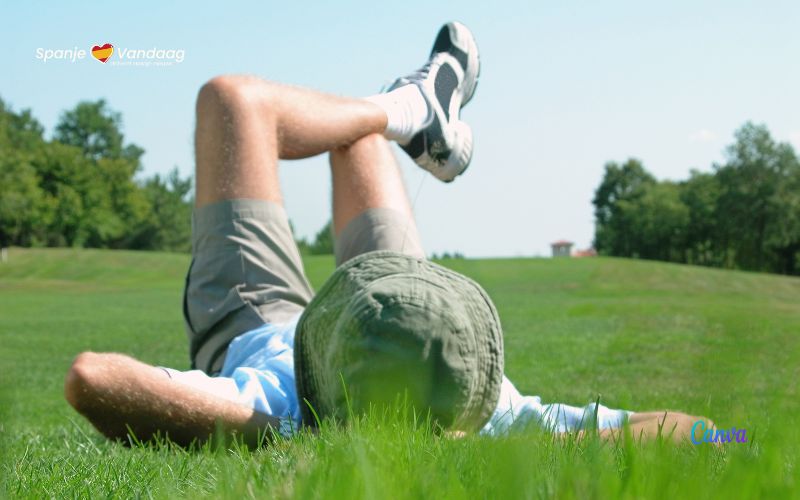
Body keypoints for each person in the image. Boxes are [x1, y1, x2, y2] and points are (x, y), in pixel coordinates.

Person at [64, 22, 711, 447]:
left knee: (236, 100)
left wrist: (273, 428)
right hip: (401, 301)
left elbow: (91, 378)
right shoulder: (483, 410)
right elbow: (695, 432)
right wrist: (737, 443)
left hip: (260, 324)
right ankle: (407, 113)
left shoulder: (282, 401)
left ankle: (408, 111)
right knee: (343, 134)